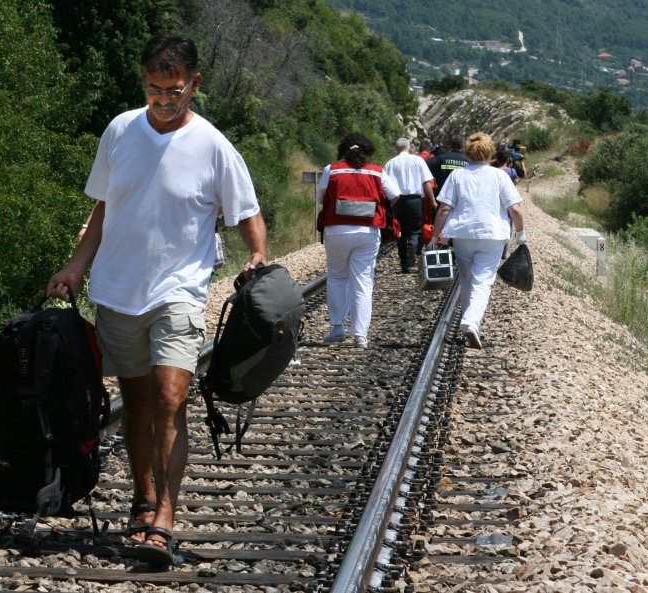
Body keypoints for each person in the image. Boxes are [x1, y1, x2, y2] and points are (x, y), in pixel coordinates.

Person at [46, 34, 268, 566]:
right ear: (144, 83)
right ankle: (143, 498)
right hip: (119, 289)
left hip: (180, 289)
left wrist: (258, 254)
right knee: (138, 403)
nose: (164, 100)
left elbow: (246, 211)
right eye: (154, 89)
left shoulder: (214, 145)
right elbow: (103, 208)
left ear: (194, 84)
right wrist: (76, 267)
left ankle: (165, 514)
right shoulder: (121, 130)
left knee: (171, 399)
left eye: (174, 90)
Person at [425, 132, 525, 350]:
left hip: (462, 234)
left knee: (468, 279)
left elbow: (444, 209)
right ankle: (471, 322)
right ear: (490, 152)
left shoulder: (458, 176)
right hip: (491, 236)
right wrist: (520, 233)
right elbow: (514, 209)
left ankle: (472, 322)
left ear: (468, 152)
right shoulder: (499, 176)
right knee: (483, 281)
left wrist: (435, 237)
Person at [316, 132, 400, 348]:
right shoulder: (377, 172)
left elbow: (319, 198)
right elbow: (395, 195)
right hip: (368, 231)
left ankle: (337, 328)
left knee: (337, 277)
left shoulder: (331, 170)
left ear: (343, 150)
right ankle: (360, 335)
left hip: (336, 230)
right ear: (368, 151)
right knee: (363, 281)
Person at [383, 138, 436, 273]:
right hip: (414, 201)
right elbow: (426, 183)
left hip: (397, 201)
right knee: (415, 229)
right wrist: (432, 200)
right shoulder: (418, 160)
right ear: (409, 147)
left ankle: (404, 266)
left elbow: (385, 187)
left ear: (396, 148)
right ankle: (412, 245)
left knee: (399, 232)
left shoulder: (390, 163)